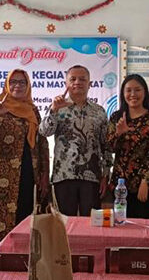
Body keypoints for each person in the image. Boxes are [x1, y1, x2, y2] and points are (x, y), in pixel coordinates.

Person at [0, 69, 50, 241]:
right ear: (7, 84)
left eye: (22, 82)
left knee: (27, 219)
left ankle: (26, 257)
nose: (17, 86)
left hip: (30, 173)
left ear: (28, 85)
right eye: (13, 82)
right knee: (3, 222)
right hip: (4, 175)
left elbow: (42, 144)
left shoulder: (32, 110)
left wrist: (45, 174)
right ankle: (2, 256)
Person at [39, 65, 112, 216]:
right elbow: (44, 132)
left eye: (82, 79)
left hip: (91, 175)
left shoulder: (99, 111)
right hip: (64, 175)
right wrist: (53, 111)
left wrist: (105, 175)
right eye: (73, 79)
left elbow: (106, 145)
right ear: (66, 83)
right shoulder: (57, 107)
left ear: (89, 84)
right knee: (65, 223)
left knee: (91, 222)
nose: (77, 82)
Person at [107, 74, 149, 219]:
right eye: (128, 90)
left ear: (144, 92)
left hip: (144, 185)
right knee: (121, 224)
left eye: (137, 90)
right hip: (120, 184)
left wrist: (145, 181)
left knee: (143, 225)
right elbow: (109, 148)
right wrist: (118, 133)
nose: (133, 94)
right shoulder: (116, 117)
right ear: (123, 93)